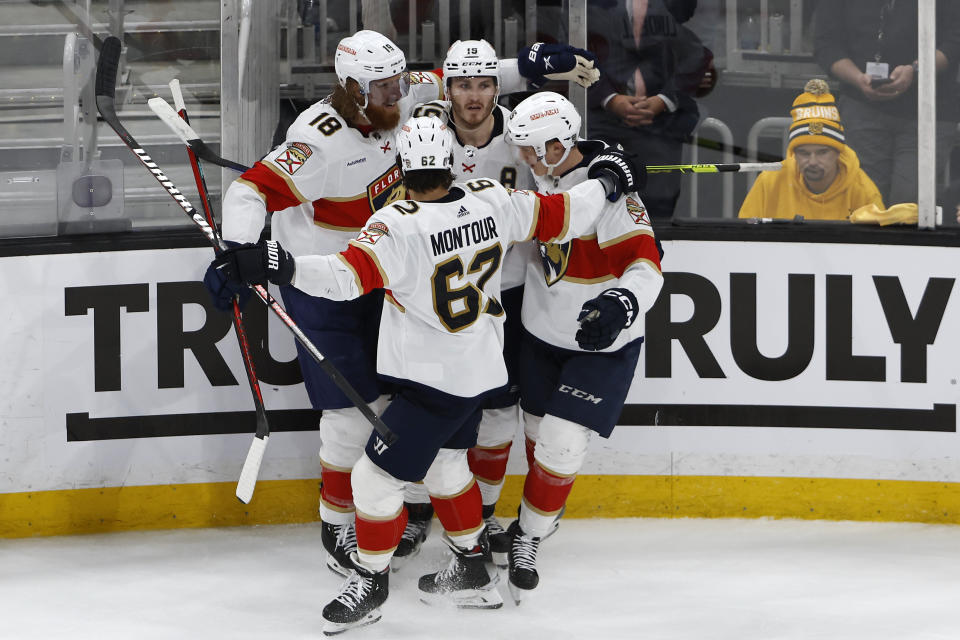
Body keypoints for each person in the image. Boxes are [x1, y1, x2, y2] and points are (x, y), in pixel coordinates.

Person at [206, 116, 640, 633]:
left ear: (401, 168)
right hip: (480, 370)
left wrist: (278, 263)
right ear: (451, 165)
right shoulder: (490, 199)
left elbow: (343, 279)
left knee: (373, 478)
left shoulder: (396, 224)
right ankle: (473, 569)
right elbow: (568, 212)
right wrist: (608, 178)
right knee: (447, 465)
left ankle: (371, 581)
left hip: (429, 381)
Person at [201, 29, 600, 580]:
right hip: (325, 289)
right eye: (383, 86)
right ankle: (335, 522)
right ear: (350, 89)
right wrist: (241, 251)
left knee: (392, 415)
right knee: (345, 422)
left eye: (396, 80)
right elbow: (249, 191)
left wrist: (529, 69)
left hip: (384, 278)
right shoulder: (317, 141)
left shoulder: (393, 97)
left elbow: (451, 79)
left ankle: (431, 532)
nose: (399, 93)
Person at [395, 38, 598, 570]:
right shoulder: (423, 130)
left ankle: (480, 515)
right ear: (448, 86)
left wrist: (613, 164)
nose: (475, 96)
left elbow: (571, 172)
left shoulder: (521, 135)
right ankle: (418, 507)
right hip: (432, 299)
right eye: (464, 84)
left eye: (486, 83)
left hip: (505, 294)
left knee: (497, 415)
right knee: (426, 402)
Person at [501, 92, 664, 603]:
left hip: (601, 342)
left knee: (562, 443)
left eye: (532, 149)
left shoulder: (612, 196)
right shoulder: (546, 173)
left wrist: (622, 303)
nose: (524, 159)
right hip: (540, 332)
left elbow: (647, 265)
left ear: (558, 143)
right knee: (534, 431)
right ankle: (537, 513)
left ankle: (528, 534)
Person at [813, 1, 960, 206]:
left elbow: (955, 41)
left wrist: (915, 70)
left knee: (907, 205)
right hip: (862, 108)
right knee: (863, 203)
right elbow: (825, 44)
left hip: (928, 111)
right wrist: (857, 78)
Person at [587, 0, 710, 219]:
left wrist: (664, 100)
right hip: (602, 125)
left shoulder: (671, 10)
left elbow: (695, 56)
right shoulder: (592, 8)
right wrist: (610, 99)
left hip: (660, 132)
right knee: (596, 206)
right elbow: (574, 51)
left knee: (656, 215)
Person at [738, 79, 884, 221]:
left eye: (822, 152)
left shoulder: (864, 192)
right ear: (793, 153)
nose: (812, 161)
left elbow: (879, 244)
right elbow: (744, 236)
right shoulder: (770, 181)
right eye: (804, 153)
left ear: (838, 152)